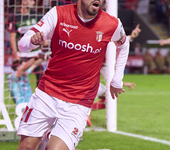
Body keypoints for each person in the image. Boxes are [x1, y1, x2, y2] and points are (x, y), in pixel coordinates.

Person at [17, 0, 130, 150]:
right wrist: (31, 41)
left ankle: (49, 140)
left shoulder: (112, 24)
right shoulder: (58, 14)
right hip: (47, 94)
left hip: (79, 101)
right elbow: (22, 45)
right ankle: (47, 138)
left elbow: (123, 44)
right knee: (27, 147)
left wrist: (117, 78)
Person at [8, 0, 47, 86]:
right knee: (19, 82)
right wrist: (15, 55)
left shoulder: (36, 15)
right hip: (22, 55)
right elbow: (12, 38)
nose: (33, 3)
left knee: (41, 78)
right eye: (31, 1)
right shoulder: (16, 17)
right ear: (24, 1)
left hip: (36, 53)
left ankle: (37, 98)